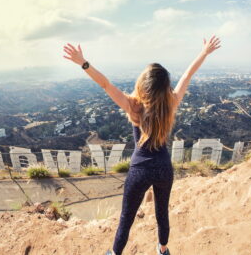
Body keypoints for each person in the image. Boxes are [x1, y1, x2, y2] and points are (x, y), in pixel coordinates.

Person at [63, 36, 221, 255]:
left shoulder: (133, 106)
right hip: (164, 168)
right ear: (165, 87)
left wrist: (83, 63)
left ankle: (115, 253)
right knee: (162, 213)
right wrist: (204, 52)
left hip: (140, 170)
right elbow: (187, 75)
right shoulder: (171, 104)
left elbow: (105, 84)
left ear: (142, 85)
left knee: (126, 219)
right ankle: (163, 249)